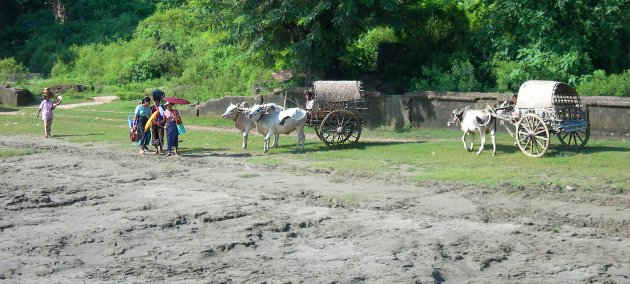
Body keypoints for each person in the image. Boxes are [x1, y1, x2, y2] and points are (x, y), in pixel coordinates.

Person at [150, 90, 166, 154]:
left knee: (161, 136)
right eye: (155, 102)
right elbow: (151, 116)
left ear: (159, 101)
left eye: (157, 102)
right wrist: (154, 122)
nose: (156, 103)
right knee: (154, 136)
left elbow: (164, 116)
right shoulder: (152, 108)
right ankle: (156, 150)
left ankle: (161, 149)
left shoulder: (162, 107)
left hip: (160, 124)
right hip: (154, 124)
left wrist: (161, 123)